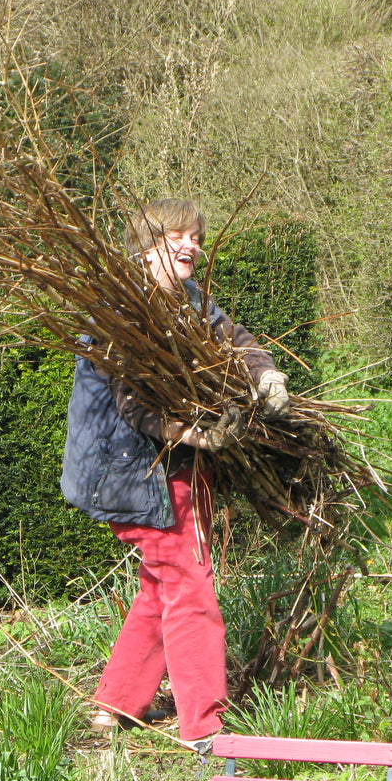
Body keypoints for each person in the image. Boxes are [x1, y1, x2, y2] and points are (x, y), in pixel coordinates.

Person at [59, 199, 291, 751]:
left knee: (160, 584)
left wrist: (268, 376)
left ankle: (116, 704)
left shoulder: (190, 300)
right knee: (189, 587)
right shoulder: (119, 313)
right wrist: (192, 434)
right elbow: (132, 404)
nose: (191, 246)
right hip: (135, 470)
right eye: (176, 236)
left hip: (180, 466)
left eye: (195, 237)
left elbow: (237, 340)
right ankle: (202, 725)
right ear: (145, 246)